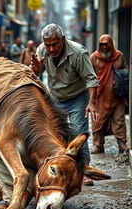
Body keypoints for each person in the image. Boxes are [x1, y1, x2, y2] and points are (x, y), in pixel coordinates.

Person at [31, 23, 99, 186]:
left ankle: (83, 170)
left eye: (55, 44)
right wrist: (37, 70)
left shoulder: (78, 52)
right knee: (55, 135)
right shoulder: (42, 50)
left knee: (78, 134)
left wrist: (92, 103)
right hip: (55, 99)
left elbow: (91, 78)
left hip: (77, 98)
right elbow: (32, 74)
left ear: (63, 39)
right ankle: (59, 168)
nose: (52, 49)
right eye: (48, 45)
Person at [90, 34, 129, 154]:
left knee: (119, 120)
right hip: (100, 97)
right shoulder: (94, 57)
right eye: (102, 44)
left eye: (107, 44)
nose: (104, 47)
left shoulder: (119, 56)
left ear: (111, 44)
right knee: (98, 121)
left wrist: (120, 77)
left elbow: (126, 68)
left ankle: (122, 144)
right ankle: (98, 145)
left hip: (117, 97)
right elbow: (89, 75)